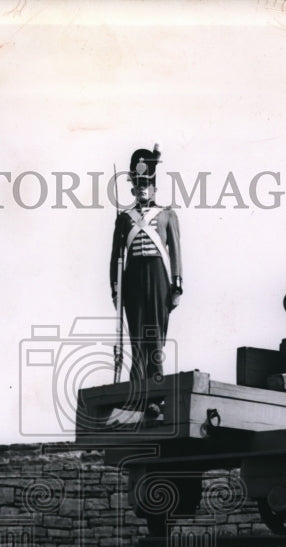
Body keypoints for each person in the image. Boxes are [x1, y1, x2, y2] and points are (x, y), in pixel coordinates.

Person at [109, 145, 183, 420]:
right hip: (133, 280)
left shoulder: (166, 214)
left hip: (159, 278)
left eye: (147, 184)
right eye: (138, 185)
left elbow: (175, 250)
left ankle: (155, 396)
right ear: (132, 189)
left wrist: (177, 285)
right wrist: (116, 290)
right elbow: (115, 257)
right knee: (137, 338)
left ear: (154, 188)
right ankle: (137, 397)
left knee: (156, 338)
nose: (142, 189)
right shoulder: (124, 220)